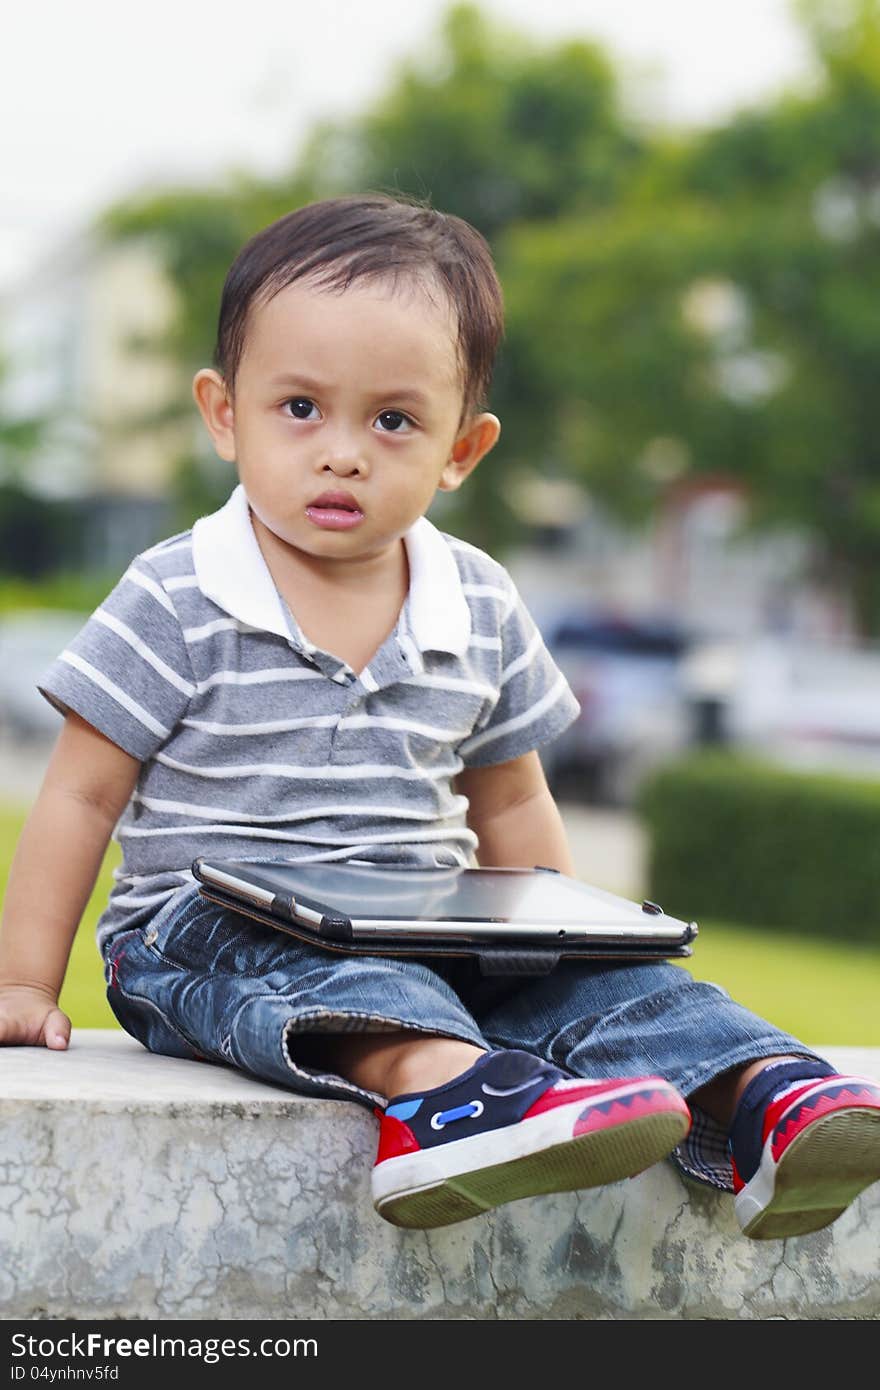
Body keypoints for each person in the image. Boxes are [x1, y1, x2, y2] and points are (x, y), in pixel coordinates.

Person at [1, 194, 878, 1239]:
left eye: (392, 420)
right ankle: (446, 1099)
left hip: (421, 921)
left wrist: (563, 946)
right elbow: (79, 792)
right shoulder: (178, 592)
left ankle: (767, 1098)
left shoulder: (478, 601)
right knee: (350, 982)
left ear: (461, 449)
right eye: (298, 409)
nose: (343, 453)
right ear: (223, 413)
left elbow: (512, 800)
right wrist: (21, 982)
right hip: (201, 930)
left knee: (617, 986)